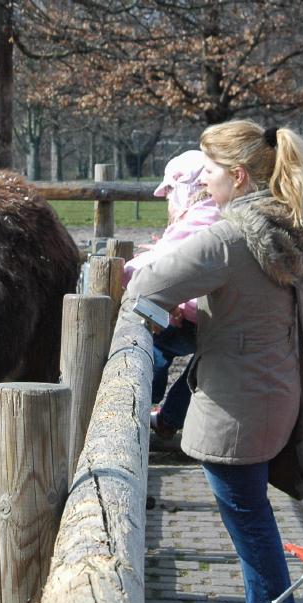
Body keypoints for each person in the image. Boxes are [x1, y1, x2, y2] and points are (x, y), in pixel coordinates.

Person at [121, 120, 303, 603]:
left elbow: (145, 285)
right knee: (256, 520)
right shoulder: (301, 227)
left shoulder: (226, 240)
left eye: (209, 170)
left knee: (253, 529)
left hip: (235, 406)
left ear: (237, 176)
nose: (204, 181)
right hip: (279, 390)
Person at [125, 150, 221, 439]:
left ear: (186, 188)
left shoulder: (202, 214)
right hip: (220, 314)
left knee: (149, 346)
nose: (167, 198)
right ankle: (169, 417)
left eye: (169, 190)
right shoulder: (223, 210)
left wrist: (126, 271)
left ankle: (138, 407)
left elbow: (143, 272)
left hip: (200, 315)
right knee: (206, 365)